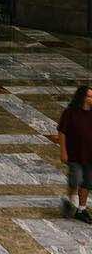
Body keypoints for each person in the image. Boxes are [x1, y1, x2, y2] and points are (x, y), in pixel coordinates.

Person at [57, 83, 92, 224]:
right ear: (82, 97)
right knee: (75, 179)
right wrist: (63, 150)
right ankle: (71, 201)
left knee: (88, 182)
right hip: (74, 153)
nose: (91, 99)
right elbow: (62, 131)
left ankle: (81, 209)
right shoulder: (70, 112)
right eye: (88, 96)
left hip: (90, 154)